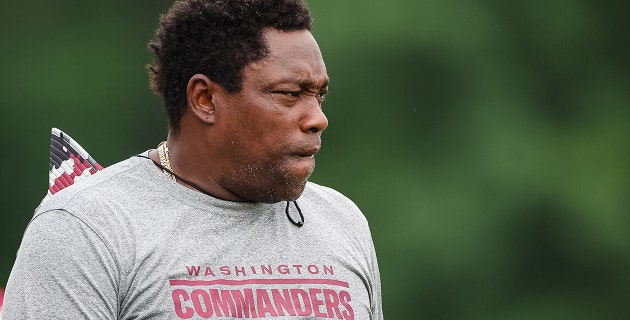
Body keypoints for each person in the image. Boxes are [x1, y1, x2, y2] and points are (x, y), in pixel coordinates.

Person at [3, 0, 383, 319]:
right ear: (204, 99)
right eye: (289, 94)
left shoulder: (342, 222)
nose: (318, 118)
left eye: (319, 96)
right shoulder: (88, 229)